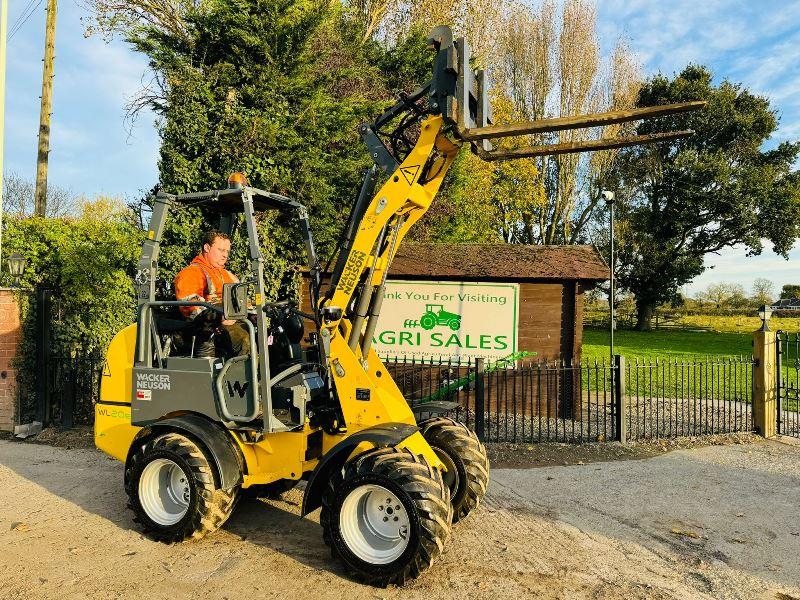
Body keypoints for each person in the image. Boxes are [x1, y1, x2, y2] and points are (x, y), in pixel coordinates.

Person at [174, 231, 251, 358]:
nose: (225, 255)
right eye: (221, 250)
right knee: (243, 339)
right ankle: (248, 376)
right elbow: (191, 306)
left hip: (232, 320)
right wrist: (219, 317)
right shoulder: (191, 273)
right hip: (207, 327)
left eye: (227, 251)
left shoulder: (229, 275)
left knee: (266, 333)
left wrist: (253, 313)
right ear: (207, 248)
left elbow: (242, 302)